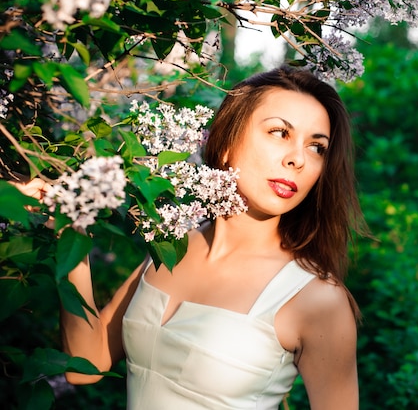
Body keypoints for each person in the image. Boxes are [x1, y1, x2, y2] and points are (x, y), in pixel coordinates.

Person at [18, 66, 365, 409]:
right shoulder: (174, 244)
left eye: (317, 147)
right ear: (226, 142)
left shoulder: (317, 300)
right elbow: (86, 365)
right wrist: (69, 233)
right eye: (279, 132)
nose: (298, 160)